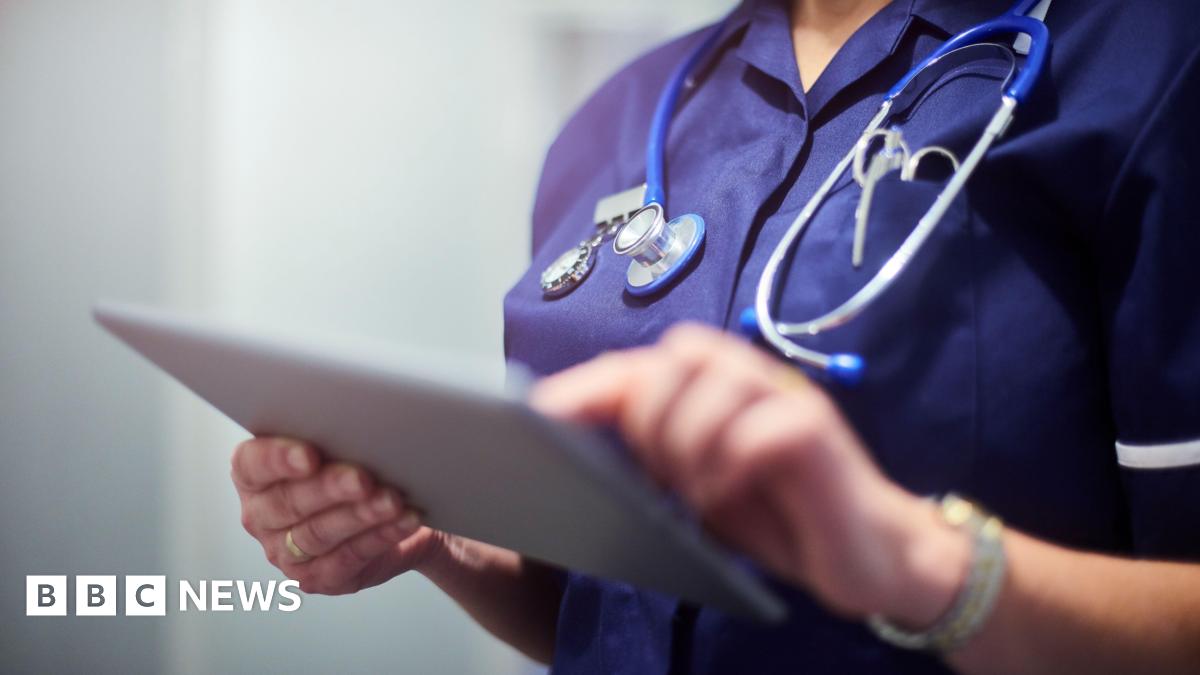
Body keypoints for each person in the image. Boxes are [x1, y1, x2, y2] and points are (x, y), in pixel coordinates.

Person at [228, 0, 1200, 672]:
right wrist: (434, 540)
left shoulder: (1147, 64)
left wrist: (927, 566)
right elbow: (602, 607)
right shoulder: (622, 113)